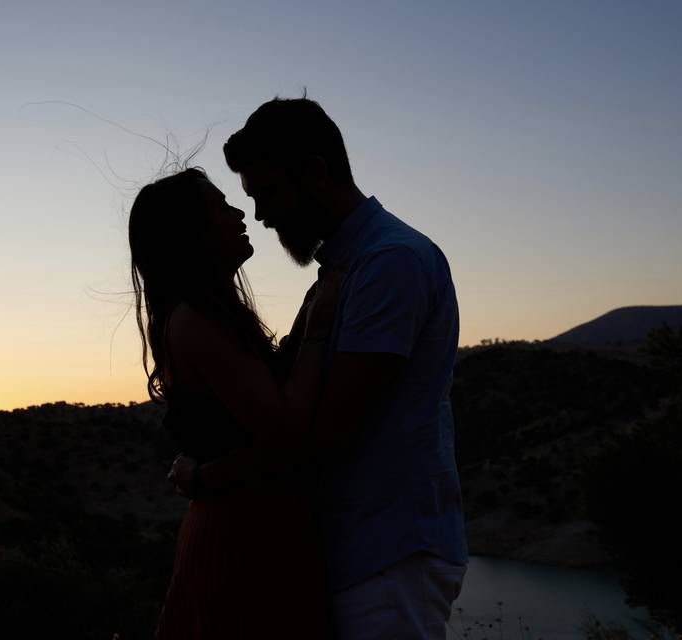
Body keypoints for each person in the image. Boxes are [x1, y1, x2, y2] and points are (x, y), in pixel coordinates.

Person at [168, 97, 468, 639]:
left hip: (388, 553)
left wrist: (206, 476)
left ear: (314, 172)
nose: (260, 216)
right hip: (355, 549)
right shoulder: (345, 269)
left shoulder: (388, 263)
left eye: (267, 195)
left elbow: (327, 430)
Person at [128, 167, 339, 639]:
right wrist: (319, 330)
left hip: (258, 535)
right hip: (245, 543)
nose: (241, 212)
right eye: (221, 206)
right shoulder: (195, 322)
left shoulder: (207, 317)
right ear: (192, 233)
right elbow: (288, 428)